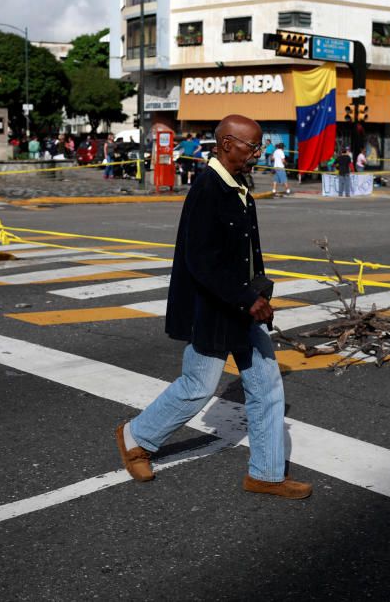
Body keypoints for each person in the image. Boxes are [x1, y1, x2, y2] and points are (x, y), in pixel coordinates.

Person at [115, 114, 312, 500]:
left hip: (242, 306)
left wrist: (257, 294)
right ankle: (135, 437)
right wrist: (246, 299)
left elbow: (242, 254)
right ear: (226, 145)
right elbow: (201, 260)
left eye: (257, 147)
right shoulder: (209, 188)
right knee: (199, 385)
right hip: (216, 308)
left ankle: (267, 474)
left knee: (268, 385)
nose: (256, 154)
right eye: (250, 147)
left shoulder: (237, 185)